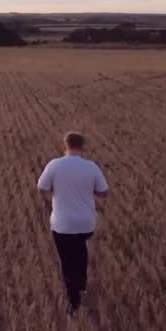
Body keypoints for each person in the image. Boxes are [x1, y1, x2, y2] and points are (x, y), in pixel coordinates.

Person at [37, 131, 109, 317]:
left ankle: (73, 300)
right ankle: (82, 283)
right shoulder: (91, 167)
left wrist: (55, 190)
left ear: (65, 145)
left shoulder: (54, 164)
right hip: (86, 223)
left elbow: (41, 187)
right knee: (80, 249)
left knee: (68, 260)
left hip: (63, 223)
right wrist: (88, 191)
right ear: (82, 146)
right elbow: (104, 192)